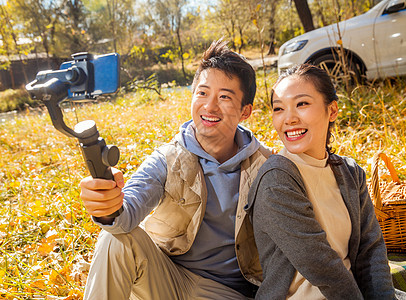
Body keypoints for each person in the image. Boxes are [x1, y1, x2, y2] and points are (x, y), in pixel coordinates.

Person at [79, 39, 271, 300]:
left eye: (224, 97)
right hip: (166, 280)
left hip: (227, 293)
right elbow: (126, 213)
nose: (209, 106)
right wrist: (108, 206)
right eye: (202, 93)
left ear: (245, 111)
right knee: (117, 240)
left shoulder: (267, 167)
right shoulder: (168, 158)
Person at [246, 64, 397, 299]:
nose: (289, 118)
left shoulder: (350, 172)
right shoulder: (277, 180)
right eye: (278, 109)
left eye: (302, 104)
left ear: (332, 110)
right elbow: (323, 268)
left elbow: (371, 249)